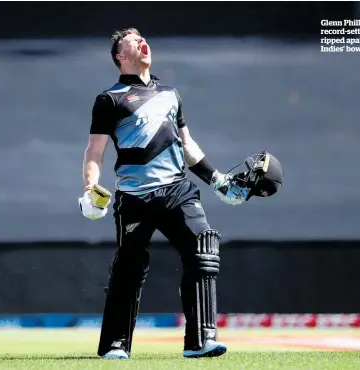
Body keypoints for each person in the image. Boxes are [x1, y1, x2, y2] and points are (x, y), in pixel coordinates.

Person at [78, 28, 249, 360]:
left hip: (177, 190)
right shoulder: (109, 100)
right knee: (130, 266)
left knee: (204, 248)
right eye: (133, 40)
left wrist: (218, 181)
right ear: (120, 56)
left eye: (143, 38)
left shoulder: (170, 94)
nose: (143, 42)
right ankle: (116, 344)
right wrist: (89, 188)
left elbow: (187, 146)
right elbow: (94, 152)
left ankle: (200, 340)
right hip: (134, 197)